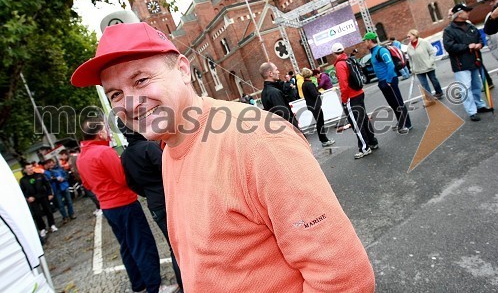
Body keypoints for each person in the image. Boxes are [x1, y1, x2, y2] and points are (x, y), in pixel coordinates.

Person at [71, 22, 375, 292]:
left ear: (182, 70)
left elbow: (344, 278)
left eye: (140, 80)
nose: (130, 103)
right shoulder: (169, 150)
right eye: (115, 94)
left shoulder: (258, 140)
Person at [76, 117, 171, 293]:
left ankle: (138, 284)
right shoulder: (103, 152)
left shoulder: (81, 157)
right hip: (123, 203)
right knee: (142, 244)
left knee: (127, 247)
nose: (108, 131)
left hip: (107, 207)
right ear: (99, 133)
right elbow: (123, 178)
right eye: (105, 128)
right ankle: (155, 287)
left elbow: (87, 185)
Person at [119, 121, 183, 293]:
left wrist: (148, 192)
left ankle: (184, 285)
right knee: (185, 241)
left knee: (173, 246)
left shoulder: (125, 156)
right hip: (170, 198)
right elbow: (169, 169)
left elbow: (132, 184)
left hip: (155, 204)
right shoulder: (148, 147)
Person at [443, 4, 493, 121]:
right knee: (465, 88)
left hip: (474, 61)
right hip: (461, 64)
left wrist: (480, 44)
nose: (468, 13)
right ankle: (472, 111)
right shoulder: (449, 30)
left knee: (477, 85)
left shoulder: (470, 26)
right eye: (466, 11)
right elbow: (449, 46)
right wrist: (467, 46)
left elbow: (479, 37)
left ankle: (479, 105)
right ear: (459, 14)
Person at [331, 43, 378, 159]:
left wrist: (344, 99)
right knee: (364, 118)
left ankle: (364, 147)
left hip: (351, 97)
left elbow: (343, 85)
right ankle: (372, 141)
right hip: (359, 93)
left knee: (356, 123)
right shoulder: (348, 60)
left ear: (333, 53)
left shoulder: (339, 65)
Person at [363, 32, 412, 134]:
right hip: (382, 81)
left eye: (365, 41)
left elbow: (390, 65)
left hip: (389, 80)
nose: (364, 43)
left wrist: (389, 81)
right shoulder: (373, 52)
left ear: (369, 41)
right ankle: (400, 122)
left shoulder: (381, 50)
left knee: (398, 103)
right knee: (393, 104)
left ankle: (407, 124)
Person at [405, 29, 444, 106]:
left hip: (428, 66)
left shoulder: (424, 42)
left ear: (414, 35)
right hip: (418, 69)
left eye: (409, 36)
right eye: (407, 37)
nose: (408, 38)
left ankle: (439, 92)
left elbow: (432, 52)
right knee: (424, 84)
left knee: (434, 80)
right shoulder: (409, 47)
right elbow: (410, 59)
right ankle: (430, 99)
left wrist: (430, 62)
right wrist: (412, 68)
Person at [20, 163, 58, 238]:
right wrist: (28, 197)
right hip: (33, 199)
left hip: (43, 196)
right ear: (25, 170)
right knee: (37, 214)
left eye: (31, 167)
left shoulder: (39, 175)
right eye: (28, 168)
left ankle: (52, 225)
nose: (30, 169)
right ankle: (42, 228)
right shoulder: (23, 180)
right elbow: (22, 191)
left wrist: (50, 193)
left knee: (48, 210)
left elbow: (47, 185)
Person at [301, 67, 336, 147]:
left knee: (319, 122)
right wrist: (319, 93)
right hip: (315, 105)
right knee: (320, 123)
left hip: (311, 105)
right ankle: (324, 140)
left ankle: (323, 139)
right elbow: (315, 94)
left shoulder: (304, 84)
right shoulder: (310, 84)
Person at [259, 61, 300, 129]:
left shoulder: (265, 92)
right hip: (289, 131)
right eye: (276, 70)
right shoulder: (274, 92)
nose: (278, 72)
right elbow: (284, 115)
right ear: (270, 73)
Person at [44, 158, 76, 224]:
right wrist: (52, 179)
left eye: (51, 163)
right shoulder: (46, 173)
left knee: (69, 201)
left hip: (64, 186)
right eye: (49, 164)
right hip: (55, 189)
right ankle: (65, 217)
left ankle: (71, 214)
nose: (51, 164)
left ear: (54, 163)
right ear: (47, 165)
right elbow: (46, 182)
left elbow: (67, 175)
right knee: (60, 204)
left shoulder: (60, 168)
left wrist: (63, 179)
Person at [483, 0, 498, 76]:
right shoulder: (493, 15)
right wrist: (493, 17)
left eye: (493, 0)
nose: (491, 3)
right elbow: (488, 31)